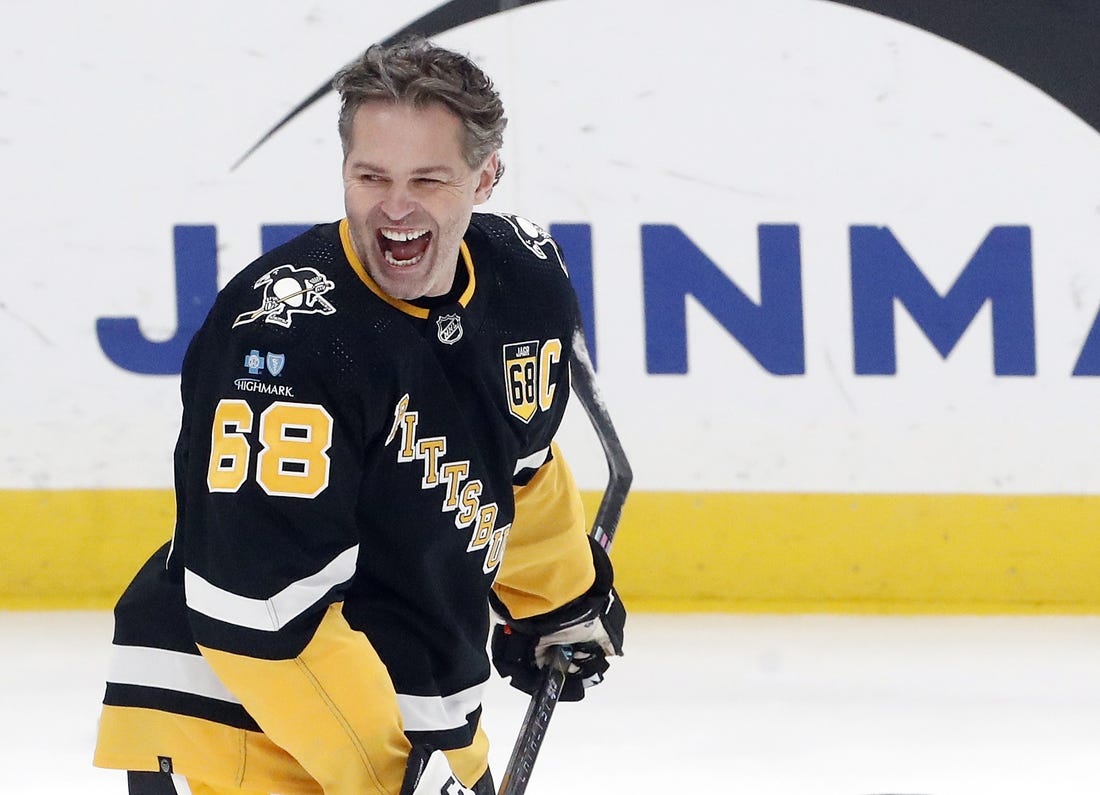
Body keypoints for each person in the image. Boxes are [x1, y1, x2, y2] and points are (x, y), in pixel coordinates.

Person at [92, 37, 625, 795]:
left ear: (486, 176)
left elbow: (519, 464)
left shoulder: (523, 280)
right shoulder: (284, 340)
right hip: (237, 727)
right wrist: (393, 772)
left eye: (427, 179)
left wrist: (561, 600)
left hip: (404, 718)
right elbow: (260, 613)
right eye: (370, 176)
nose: (396, 207)